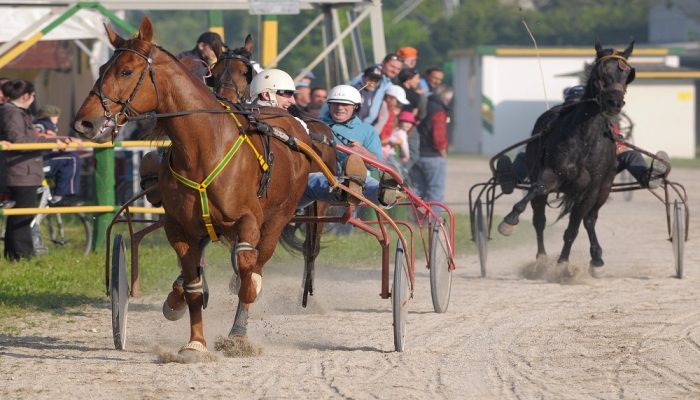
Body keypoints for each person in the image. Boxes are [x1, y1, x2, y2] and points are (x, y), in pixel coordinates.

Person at [496, 84, 668, 193]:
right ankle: (645, 177)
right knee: (631, 155)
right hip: (593, 167)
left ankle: (513, 178)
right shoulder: (598, 117)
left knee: (525, 154)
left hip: (565, 166)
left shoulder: (560, 115)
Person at [297, 85, 404, 209]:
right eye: (335, 104)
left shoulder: (367, 130)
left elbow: (375, 166)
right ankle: (345, 190)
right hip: (325, 177)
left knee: (372, 186)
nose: (339, 108)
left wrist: (364, 153)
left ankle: (384, 195)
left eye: (345, 104)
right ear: (329, 105)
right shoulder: (313, 125)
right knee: (313, 180)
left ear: (355, 106)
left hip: (359, 180)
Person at [0, 79, 73, 260]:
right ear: (26, 96)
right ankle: (22, 256)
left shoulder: (18, 113)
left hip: (25, 171)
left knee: (20, 216)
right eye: (33, 95)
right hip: (20, 172)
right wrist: (51, 143)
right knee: (22, 217)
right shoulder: (12, 113)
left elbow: (26, 139)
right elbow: (20, 141)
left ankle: (15, 255)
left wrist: (55, 141)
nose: (34, 98)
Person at [411, 85, 453, 214]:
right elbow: (439, 134)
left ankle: (417, 221)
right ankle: (433, 223)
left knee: (419, 192)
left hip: (418, 154)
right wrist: (442, 152)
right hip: (433, 156)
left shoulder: (425, 105)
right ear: (446, 98)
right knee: (435, 192)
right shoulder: (439, 111)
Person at [34, 105, 83, 206]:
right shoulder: (45, 123)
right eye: (57, 117)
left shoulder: (35, 123)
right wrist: (65, 139)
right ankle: (62, 196)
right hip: (39, 163)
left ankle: (58, 193)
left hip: (34, 161)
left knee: (67, 157)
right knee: (72, 158)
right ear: (52, 117)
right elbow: (44, 136)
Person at [348, 53, 404, 125]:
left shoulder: (388, 82)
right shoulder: (370, 75)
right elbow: (352, 89)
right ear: (383, 63)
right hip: (355, 123)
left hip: (366, 126)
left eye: (398, 69)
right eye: (392, 66)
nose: (395, 71)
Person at [374, 85, 410, 153]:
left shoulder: (389, 110)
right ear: (389, 98)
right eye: (398, 102)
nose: (398, 105)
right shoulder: (382, 108)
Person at [382, 111, 415, 178]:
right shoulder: (402, 132)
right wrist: (406, 156)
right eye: (405, 122)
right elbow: (404, 146)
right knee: (397, 173)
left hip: (384, 152)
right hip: (388, 154)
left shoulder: (395, 129)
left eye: (410, 123)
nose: (408, 125)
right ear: (400, 122)